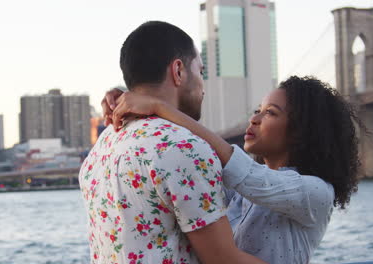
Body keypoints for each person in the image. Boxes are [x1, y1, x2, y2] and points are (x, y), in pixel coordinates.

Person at [102, 75, 362, 263]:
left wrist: (158, 106)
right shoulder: (240, 192)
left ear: (300, 131)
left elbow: (242, 170)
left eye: (270, 113)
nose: (254, 119)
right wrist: (124, 99)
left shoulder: (315, 192)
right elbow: (200, 167)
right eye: (257, 110)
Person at [79, 21, 266, 264]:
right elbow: (224, 260)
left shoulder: (104, 143)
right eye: (200, 71)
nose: (203, 86)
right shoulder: (185, 147)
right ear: (178, 71)